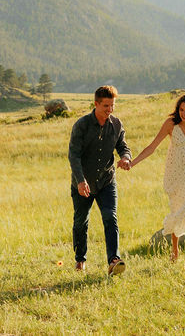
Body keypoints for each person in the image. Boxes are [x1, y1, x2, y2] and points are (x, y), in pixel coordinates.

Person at [128, 93, 185, 271]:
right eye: (181, 109)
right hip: (177, 175)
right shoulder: (171, 125)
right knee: (177, 210)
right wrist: (133, 163)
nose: (184, 113)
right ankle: (174, 251)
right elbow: (152, 146)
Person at [68, 85, 133, 276]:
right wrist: (80, 181)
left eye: (112, 105)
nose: (110, 110)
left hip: (106, 180)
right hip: (82, 183)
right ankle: (80, 260)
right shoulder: (82, 125)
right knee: (81, 222)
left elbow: (123, 146)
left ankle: (114, 260)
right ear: (95, 104)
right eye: (106, 106)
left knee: (110, 217)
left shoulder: (116, 125)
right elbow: (74, 156)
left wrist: (126, 158)